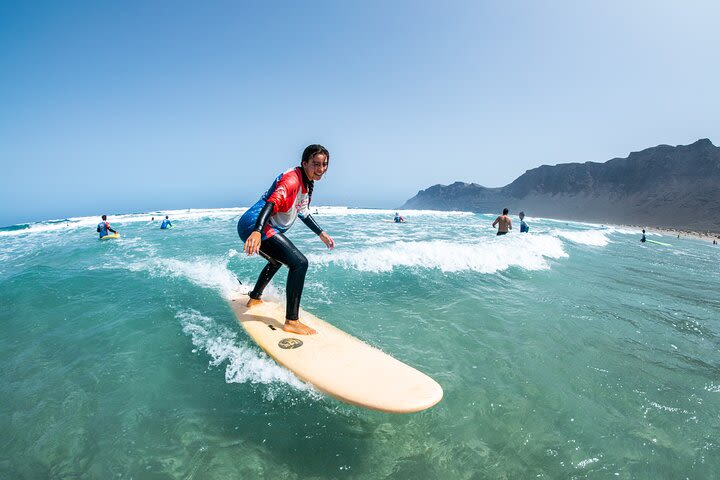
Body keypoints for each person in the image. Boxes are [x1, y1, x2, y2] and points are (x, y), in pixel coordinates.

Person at [237, 144, 335, 335]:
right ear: (304, 163)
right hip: (256, 224)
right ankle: (291, 321)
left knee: (277, 261)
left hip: (263, 225)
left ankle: (254, 297)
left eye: (324, 165)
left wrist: (321, 233)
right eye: (316, 164)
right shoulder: (292, 181)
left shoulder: (306, 182)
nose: (321, 169)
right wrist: (257, 231)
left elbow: (303, 212)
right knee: (299, 263)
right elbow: (272, 203)